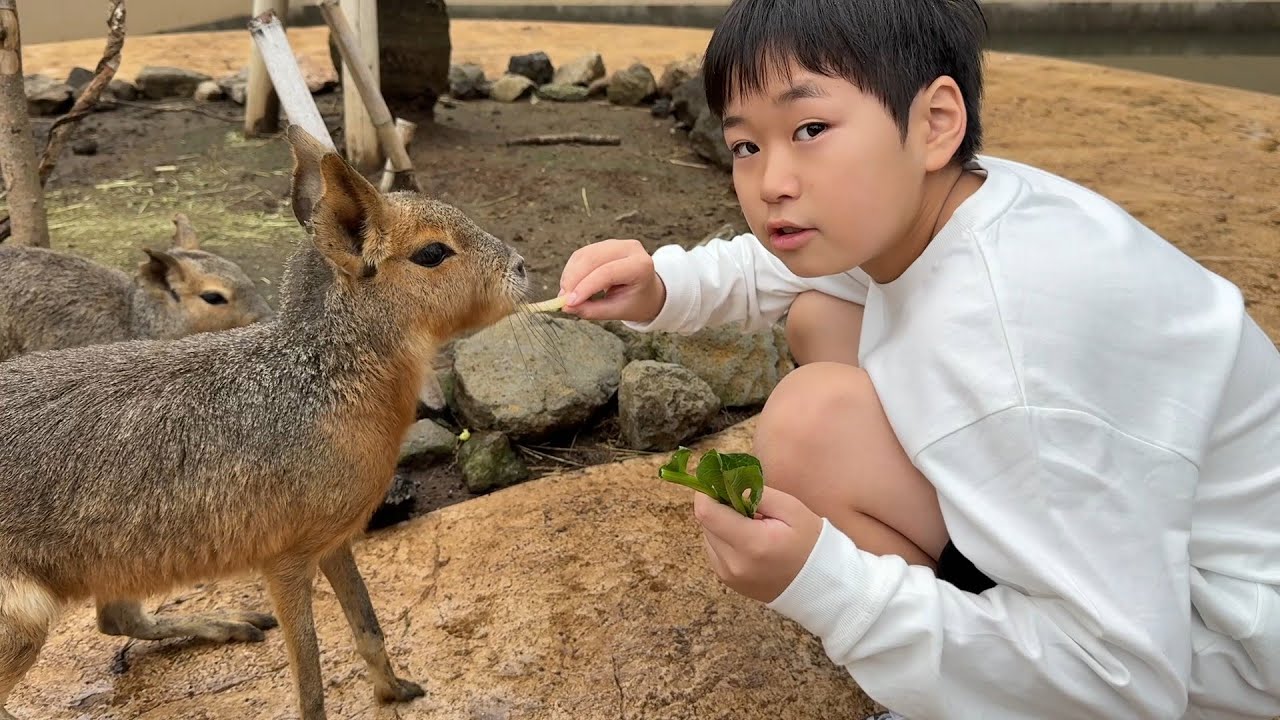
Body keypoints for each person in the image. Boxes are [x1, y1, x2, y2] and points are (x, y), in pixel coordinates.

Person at [554, 0, 1280, 717]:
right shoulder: (952, 201)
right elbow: (778, 267)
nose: (772, 182)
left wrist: (831, 586)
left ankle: (982, 665)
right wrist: (661, 285)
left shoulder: (1011, 341)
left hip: (1225, 650)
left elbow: (1127, 683)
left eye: (810, 129)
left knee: (810, 422)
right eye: (747, 145)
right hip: (1150, 545)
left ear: (935, 122)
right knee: (821, 316)